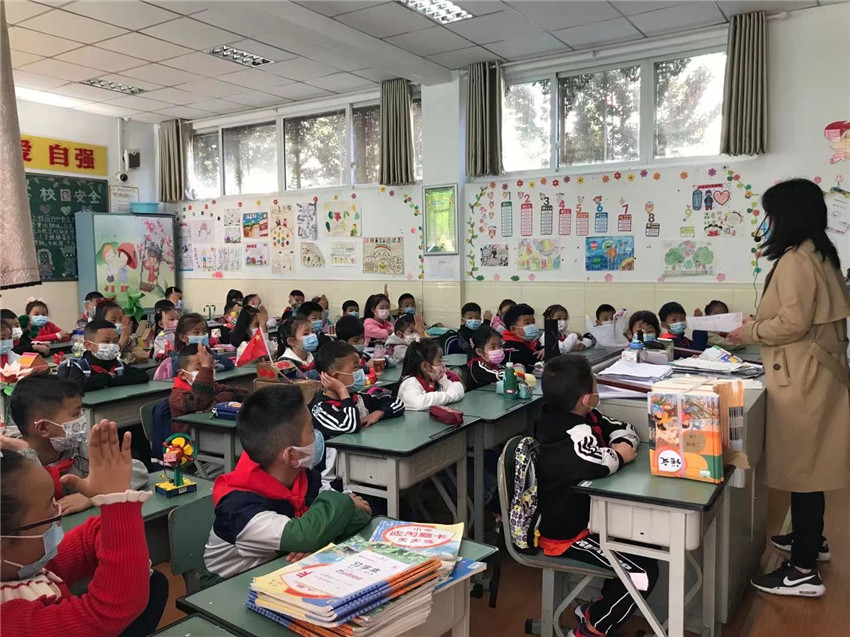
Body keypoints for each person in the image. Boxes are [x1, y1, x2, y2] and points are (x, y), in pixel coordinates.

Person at [726, 179, 850, 597]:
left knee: (804, 470)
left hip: (804, 377)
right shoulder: (820, 252)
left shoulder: (797, 259)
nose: (769, 222)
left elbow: (793, 323)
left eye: (771, 214)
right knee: (810, 467)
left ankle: (802, 570)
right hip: (816, 374)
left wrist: (749, 331)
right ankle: (809, 541)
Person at [0, 421, 168, 636]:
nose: (58, 517)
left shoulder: (15, 564)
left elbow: (87, 538)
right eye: (50, 513)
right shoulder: (10, 625)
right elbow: (108, 611)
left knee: (155, 584)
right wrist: (117, 502)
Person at [536, 355, 656, 637]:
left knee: (646, 545)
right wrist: (620, 455)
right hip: (568, 534)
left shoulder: (587, 416)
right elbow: (595, 463)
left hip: (594, 519)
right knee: (642, 572)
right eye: (595, 384)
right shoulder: (565, 434)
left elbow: (626, 429)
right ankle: (592, 630)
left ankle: (596, 613)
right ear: (586, 398)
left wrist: (621, 444)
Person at [203, 385, 372, 580]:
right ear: (291, 455)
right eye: (311, 430)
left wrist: (318, 538)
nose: (317, 436)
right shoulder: (239, 507)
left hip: (285, 572)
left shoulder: (304, 477)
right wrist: (346, 503)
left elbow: (361, 515)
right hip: (229, 585)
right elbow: (304, 535)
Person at [4, 374, 149, 514]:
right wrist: (27, 452)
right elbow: (32, 502)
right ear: (43, 428)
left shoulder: (78, 451)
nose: (82, 419)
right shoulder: (9, 463)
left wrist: (91, 495)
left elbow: (137, 470)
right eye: (75, 414)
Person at [311, 341, 404, 439]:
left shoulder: (358, 398)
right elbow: (350, 426)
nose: (360, 372)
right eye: (355, 368)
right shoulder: (320, 409)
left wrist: (378, 413)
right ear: (336, 377)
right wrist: (342, 391)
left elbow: (397, 403)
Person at [57, 320, 149, 391]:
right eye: (106, 342)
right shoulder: (80, 367)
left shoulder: (118, 365)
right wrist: (106, 377)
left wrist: (112, 381)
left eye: (115, 341)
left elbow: (143, 376)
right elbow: (76, 386)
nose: (112, 345)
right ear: (88, 345)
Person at [169, 344, 249, 420]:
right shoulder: (177, 397)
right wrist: (205, 367)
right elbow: (199, 403)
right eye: (199, 369)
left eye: (211, 368)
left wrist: (216, 401)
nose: (207, 372)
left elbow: (242, 393)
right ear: (183, 374)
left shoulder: (212, 386)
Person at [397, 340, 465, 411]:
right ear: (425, 366)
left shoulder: (437, 379)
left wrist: (449, 395)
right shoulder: (410, 383)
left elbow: (458, 387)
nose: (443, 364)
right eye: (439, 361)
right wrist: (448, 396)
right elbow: (418, 403)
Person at [501, 303, 540, 369]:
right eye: (527, 323)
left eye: (533, 322)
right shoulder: (511, 350)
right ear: (513, 329)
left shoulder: (532, 345)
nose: (532, 326)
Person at [466, 326, 504, 390]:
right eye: (493, 347)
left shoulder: (492, 364)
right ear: (479, 351)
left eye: (500, 346)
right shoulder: (477, 366)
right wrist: (512, 373)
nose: (498, 350)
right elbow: (495, 376)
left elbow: (501, 369)